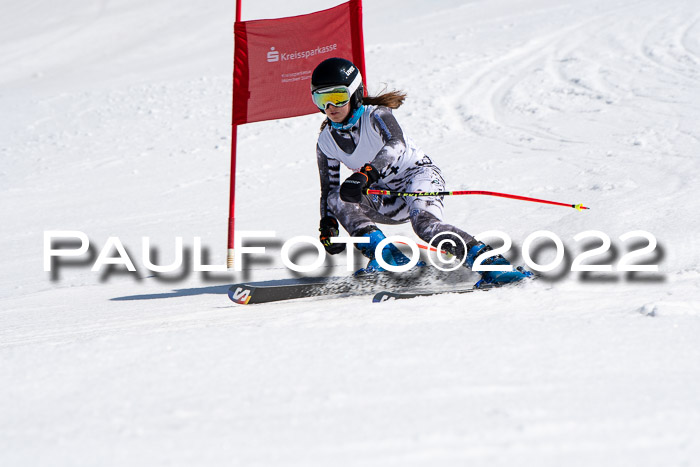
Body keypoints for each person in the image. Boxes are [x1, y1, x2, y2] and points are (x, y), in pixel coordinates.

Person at [311, 57, 531, 285]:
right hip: (387, 198)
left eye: (337, 97)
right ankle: (388, 257)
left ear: (354, 93)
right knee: (338, 196)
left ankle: (494, 265)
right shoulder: (326, 141)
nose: (330, 107)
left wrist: (367, 173)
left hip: (418, 177)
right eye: (321, 99)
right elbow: (328, 189)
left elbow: (396, 144)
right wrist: (328, 225)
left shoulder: (376, 115)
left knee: (425, 226)